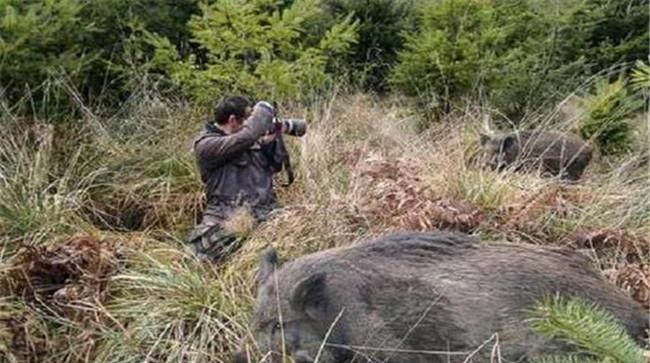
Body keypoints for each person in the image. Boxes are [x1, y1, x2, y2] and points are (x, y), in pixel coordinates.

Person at [187, 96, 290, 263]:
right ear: (232, 120)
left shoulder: (253, 141)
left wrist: (271, 142)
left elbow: (276, 166)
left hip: (265, 215)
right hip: (224, 217)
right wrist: (263, 110)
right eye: (248, 120)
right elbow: (245, 137)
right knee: (204, 260)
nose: (252, 125)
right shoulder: (206, 145)